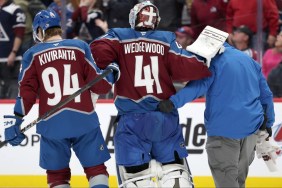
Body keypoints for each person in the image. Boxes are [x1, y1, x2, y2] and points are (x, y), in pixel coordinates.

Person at [90, 1, 214, 187]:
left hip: (132, 123)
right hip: (164, 119)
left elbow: (95, 50)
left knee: (136, 180)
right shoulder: (166, 39)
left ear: (133, 18)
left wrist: (112, 63)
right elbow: (192, 67)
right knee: (175, 175)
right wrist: (205, 56)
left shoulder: (118, 37)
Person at [3, 9, 119, 188]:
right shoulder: (79, 47)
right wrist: (111, 74)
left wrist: (17, 120)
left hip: (52, 124)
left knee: (57, 176)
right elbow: (100, 86)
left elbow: (26, 93)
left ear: (40, 31)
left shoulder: (31, 55)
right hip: (84, 120)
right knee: (96, 169)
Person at [158, 42, 275, 188]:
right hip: (251, 130)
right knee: (239, 180)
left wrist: (172, 102)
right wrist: (269, 122)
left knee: (226, 181)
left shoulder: (213, 63)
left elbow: (197, 87)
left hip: (224, 131)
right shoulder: (249, 61)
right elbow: (266, 95)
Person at [0, 0, 26, 99]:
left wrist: (14, 52)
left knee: (12, 85)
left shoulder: (16, 10)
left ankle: (11, 107)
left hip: (11, 57)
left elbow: (19, 33)